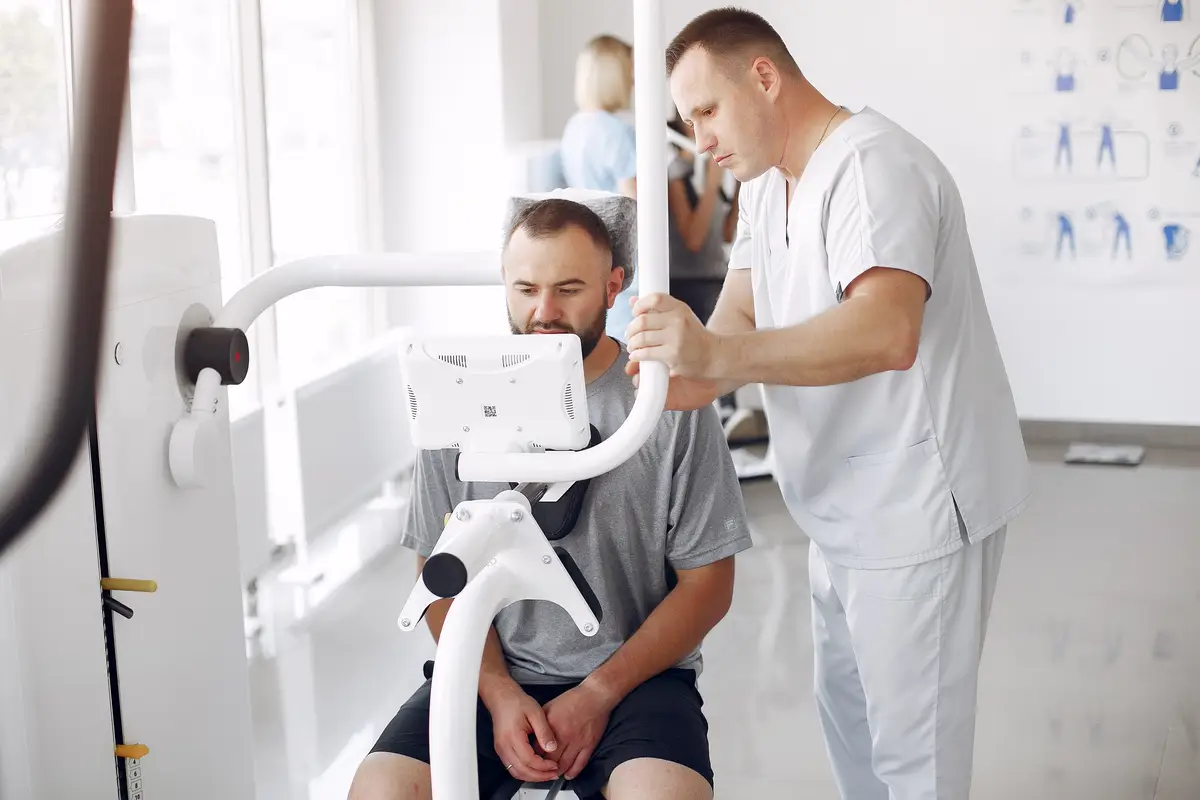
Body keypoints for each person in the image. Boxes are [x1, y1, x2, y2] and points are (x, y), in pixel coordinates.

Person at [626, 9, 1032, 800]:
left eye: (706, 111)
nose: (699, 142)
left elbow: (887, 330)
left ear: (764, 77)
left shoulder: (872, 167)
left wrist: (717, 359)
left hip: (914, 508)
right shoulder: (766, 184)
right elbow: (738, 318)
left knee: (915, 763)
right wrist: (678, 376)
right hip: (837, 507)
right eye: (688, 123)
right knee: (854, 734)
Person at [347, 198, 753, 800]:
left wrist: (597, 693)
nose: (544, 312)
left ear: (613, 287)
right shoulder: (456, 398)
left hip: (635, 679)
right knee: (380, 789)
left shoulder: (666, 404)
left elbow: (708, 586)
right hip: (490, 672)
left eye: (568, 289)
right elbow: (437, 574)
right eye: (526, 289)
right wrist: (497, 692)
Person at [559, 35, 640, 342]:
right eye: (629, 72)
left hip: (591, 250)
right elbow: (634, 207)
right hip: (624, 258)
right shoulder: (617, 132)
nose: (633, 82)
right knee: (631, 347)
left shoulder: (574, 128)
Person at [666, 111, 738, 325]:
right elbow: (694, 240)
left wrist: (741, 184)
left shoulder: (710, 165)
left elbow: (726, 234)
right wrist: (712, 182)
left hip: (718, 279)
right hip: (688, 286)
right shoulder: (674, 167)